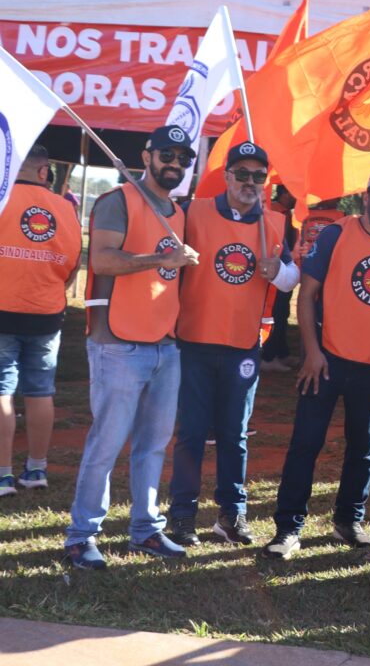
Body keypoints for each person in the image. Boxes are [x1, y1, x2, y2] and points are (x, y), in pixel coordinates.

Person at [262, 167, 370, 559]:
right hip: (326, 362)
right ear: (366, 197)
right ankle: (288, 528)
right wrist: (311, 353)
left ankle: (348, 520)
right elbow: (307, 295)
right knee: (305, 444)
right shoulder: (336, 234)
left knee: (362, 448)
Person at [64, 125, 200, 570]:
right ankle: (81, 535)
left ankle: (145, 529)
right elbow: (101, 260)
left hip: (165, 345)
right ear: (148, 156)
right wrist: (163, 259)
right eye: (167, 155)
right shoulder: (117, 200)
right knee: (106, 443)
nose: (174, 163)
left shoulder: (176, 213)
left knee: (153, 445)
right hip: (118, 344)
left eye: (182, 157)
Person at [167, 143, 299, 547]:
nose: (249, 183)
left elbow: (293, 278)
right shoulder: (195, 211)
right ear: (226, 176)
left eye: (258, 176)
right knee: (191, 433)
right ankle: (183, 515)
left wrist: (278, 271)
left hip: (243, 346)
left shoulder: (274, 223)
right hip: (194, 341)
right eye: (241, 173)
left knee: (234, 434)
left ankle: (231, 515)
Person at [0, 146, 81, 496]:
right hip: (46, 313)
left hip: (3, 308)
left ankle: (3, 474)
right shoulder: (65, 208)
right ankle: (36, 469)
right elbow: (73, 263)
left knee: (2, 390)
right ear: (45, 171)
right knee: (40, 390)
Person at [261, 185, 298, 372]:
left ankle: (281, 352)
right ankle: (269, 356)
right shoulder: (273, 213)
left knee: (282, 313)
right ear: (283, 194)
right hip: (272, 272)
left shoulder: (285, 213)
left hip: (284, 266)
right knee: (275, 312)